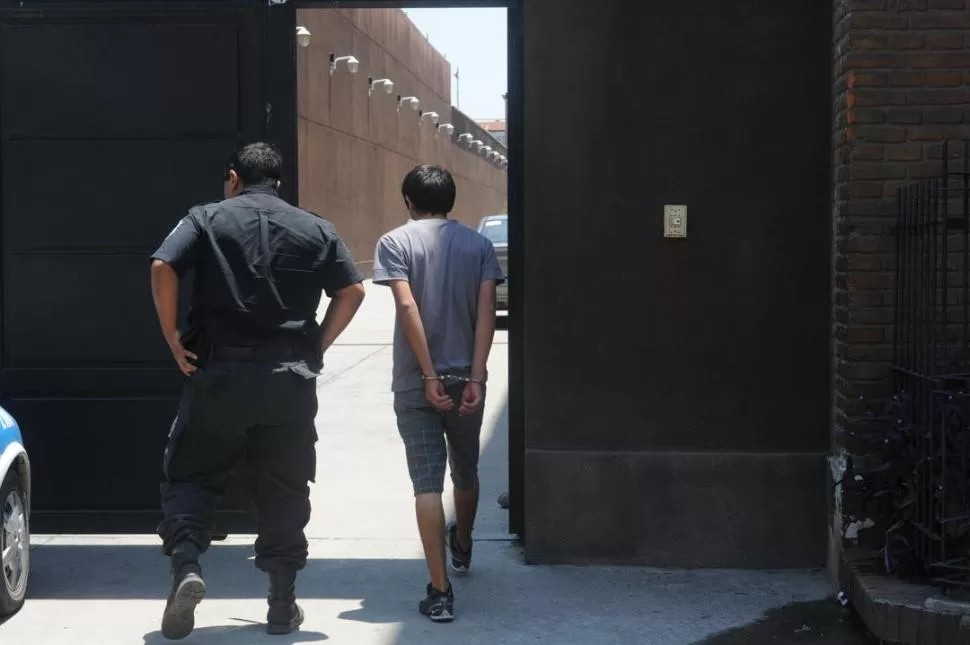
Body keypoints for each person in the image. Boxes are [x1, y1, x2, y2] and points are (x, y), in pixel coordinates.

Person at [149, 142, 365, 639]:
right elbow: (352, 290)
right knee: (284, 486)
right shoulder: (315, 227)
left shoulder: (204, 218)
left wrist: (171, 339)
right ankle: (281, 605)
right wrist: (316, 346)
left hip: (219, 376)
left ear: (232, 177)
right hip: (288, 381)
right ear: (279, 182)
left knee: (190, 474)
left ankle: (188, 569)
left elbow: (163, 266)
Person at [372, 165, 505, 622]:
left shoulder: (394, 242)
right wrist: (477, 377)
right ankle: (463, 545)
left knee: (427, 484)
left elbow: (407, 305)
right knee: (465, 472)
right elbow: (486, 310)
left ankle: (440, 591)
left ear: (408, 200)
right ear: (451, 200)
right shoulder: (480, 245)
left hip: (416, 383)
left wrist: (428, 375)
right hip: (466, 382)